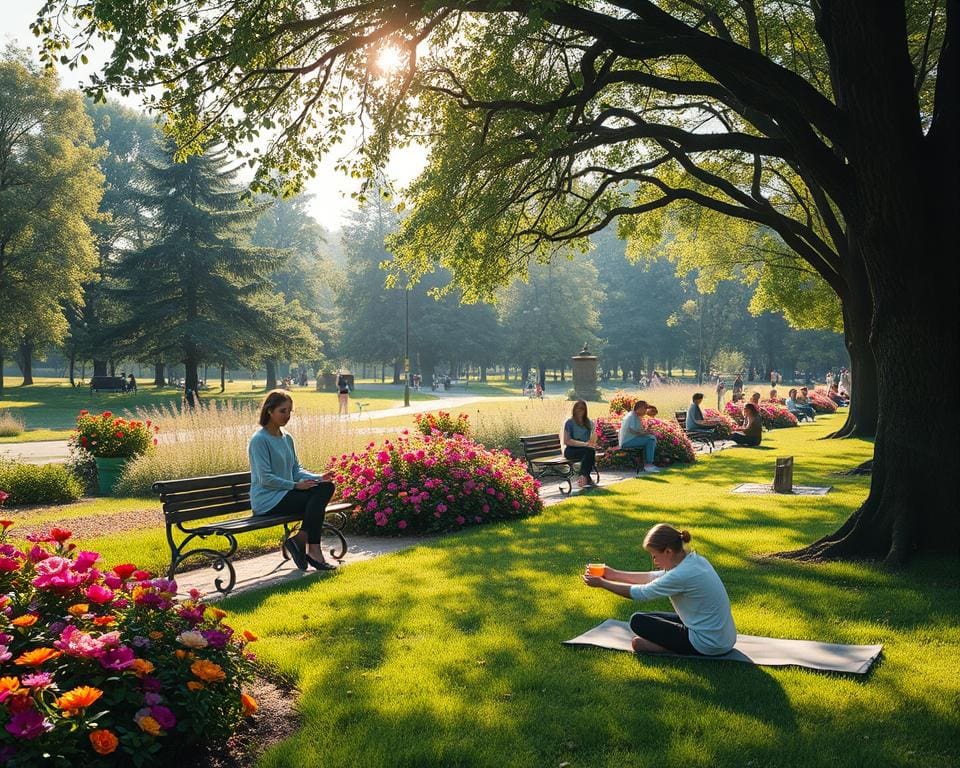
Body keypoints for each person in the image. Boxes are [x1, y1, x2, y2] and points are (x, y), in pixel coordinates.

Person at [583, 523, 736, 656]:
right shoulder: (694, 561)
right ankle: (671, 644)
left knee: (638, 621)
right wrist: (613, 574)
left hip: (709, 644)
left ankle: (669, 649)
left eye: (654, 555)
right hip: (723, 638)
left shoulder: (681, 574)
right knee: (647, 617)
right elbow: (654, 577)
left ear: (668, 551)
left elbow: (642, 593)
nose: (654, 560)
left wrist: (603, 583)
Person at [248, 389, 338, 571]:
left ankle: (303, 540)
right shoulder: (259, 440)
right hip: (268, 500)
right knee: (316, 501)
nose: (287, 415)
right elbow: (265, 479)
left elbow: (295, 470)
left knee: (326, 487)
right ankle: (311, 548)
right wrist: (295, 485)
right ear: (269, 411)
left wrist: (319, 478)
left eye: (290, 411)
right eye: (283, 411)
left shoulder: (287, 437)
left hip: (286, 494)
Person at [562, 400, 599, 490]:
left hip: (585, 449)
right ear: (574, 410)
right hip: (571, 449)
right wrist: (585, 444)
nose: (580, 411)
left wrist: (593, 440)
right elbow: (567, 441)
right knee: (589, 452)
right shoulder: (569, 423)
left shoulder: (588, 422)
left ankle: (583, 477)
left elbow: (592, 439)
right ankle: (586, 478)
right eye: (578, 408)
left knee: (590, 451)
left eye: (583, 409)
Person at [618, 400, 660, 473]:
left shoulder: (634, 415)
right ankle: (648, 465)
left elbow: (637, 430)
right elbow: (632, 430)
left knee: (651, 438)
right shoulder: (631, 416)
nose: (645, 412)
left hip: (630, 439)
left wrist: (647, 432)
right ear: (640, 408)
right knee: (651, 440)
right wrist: (645, 433)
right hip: (627, 442)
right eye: (644, 409)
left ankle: (647, 464)